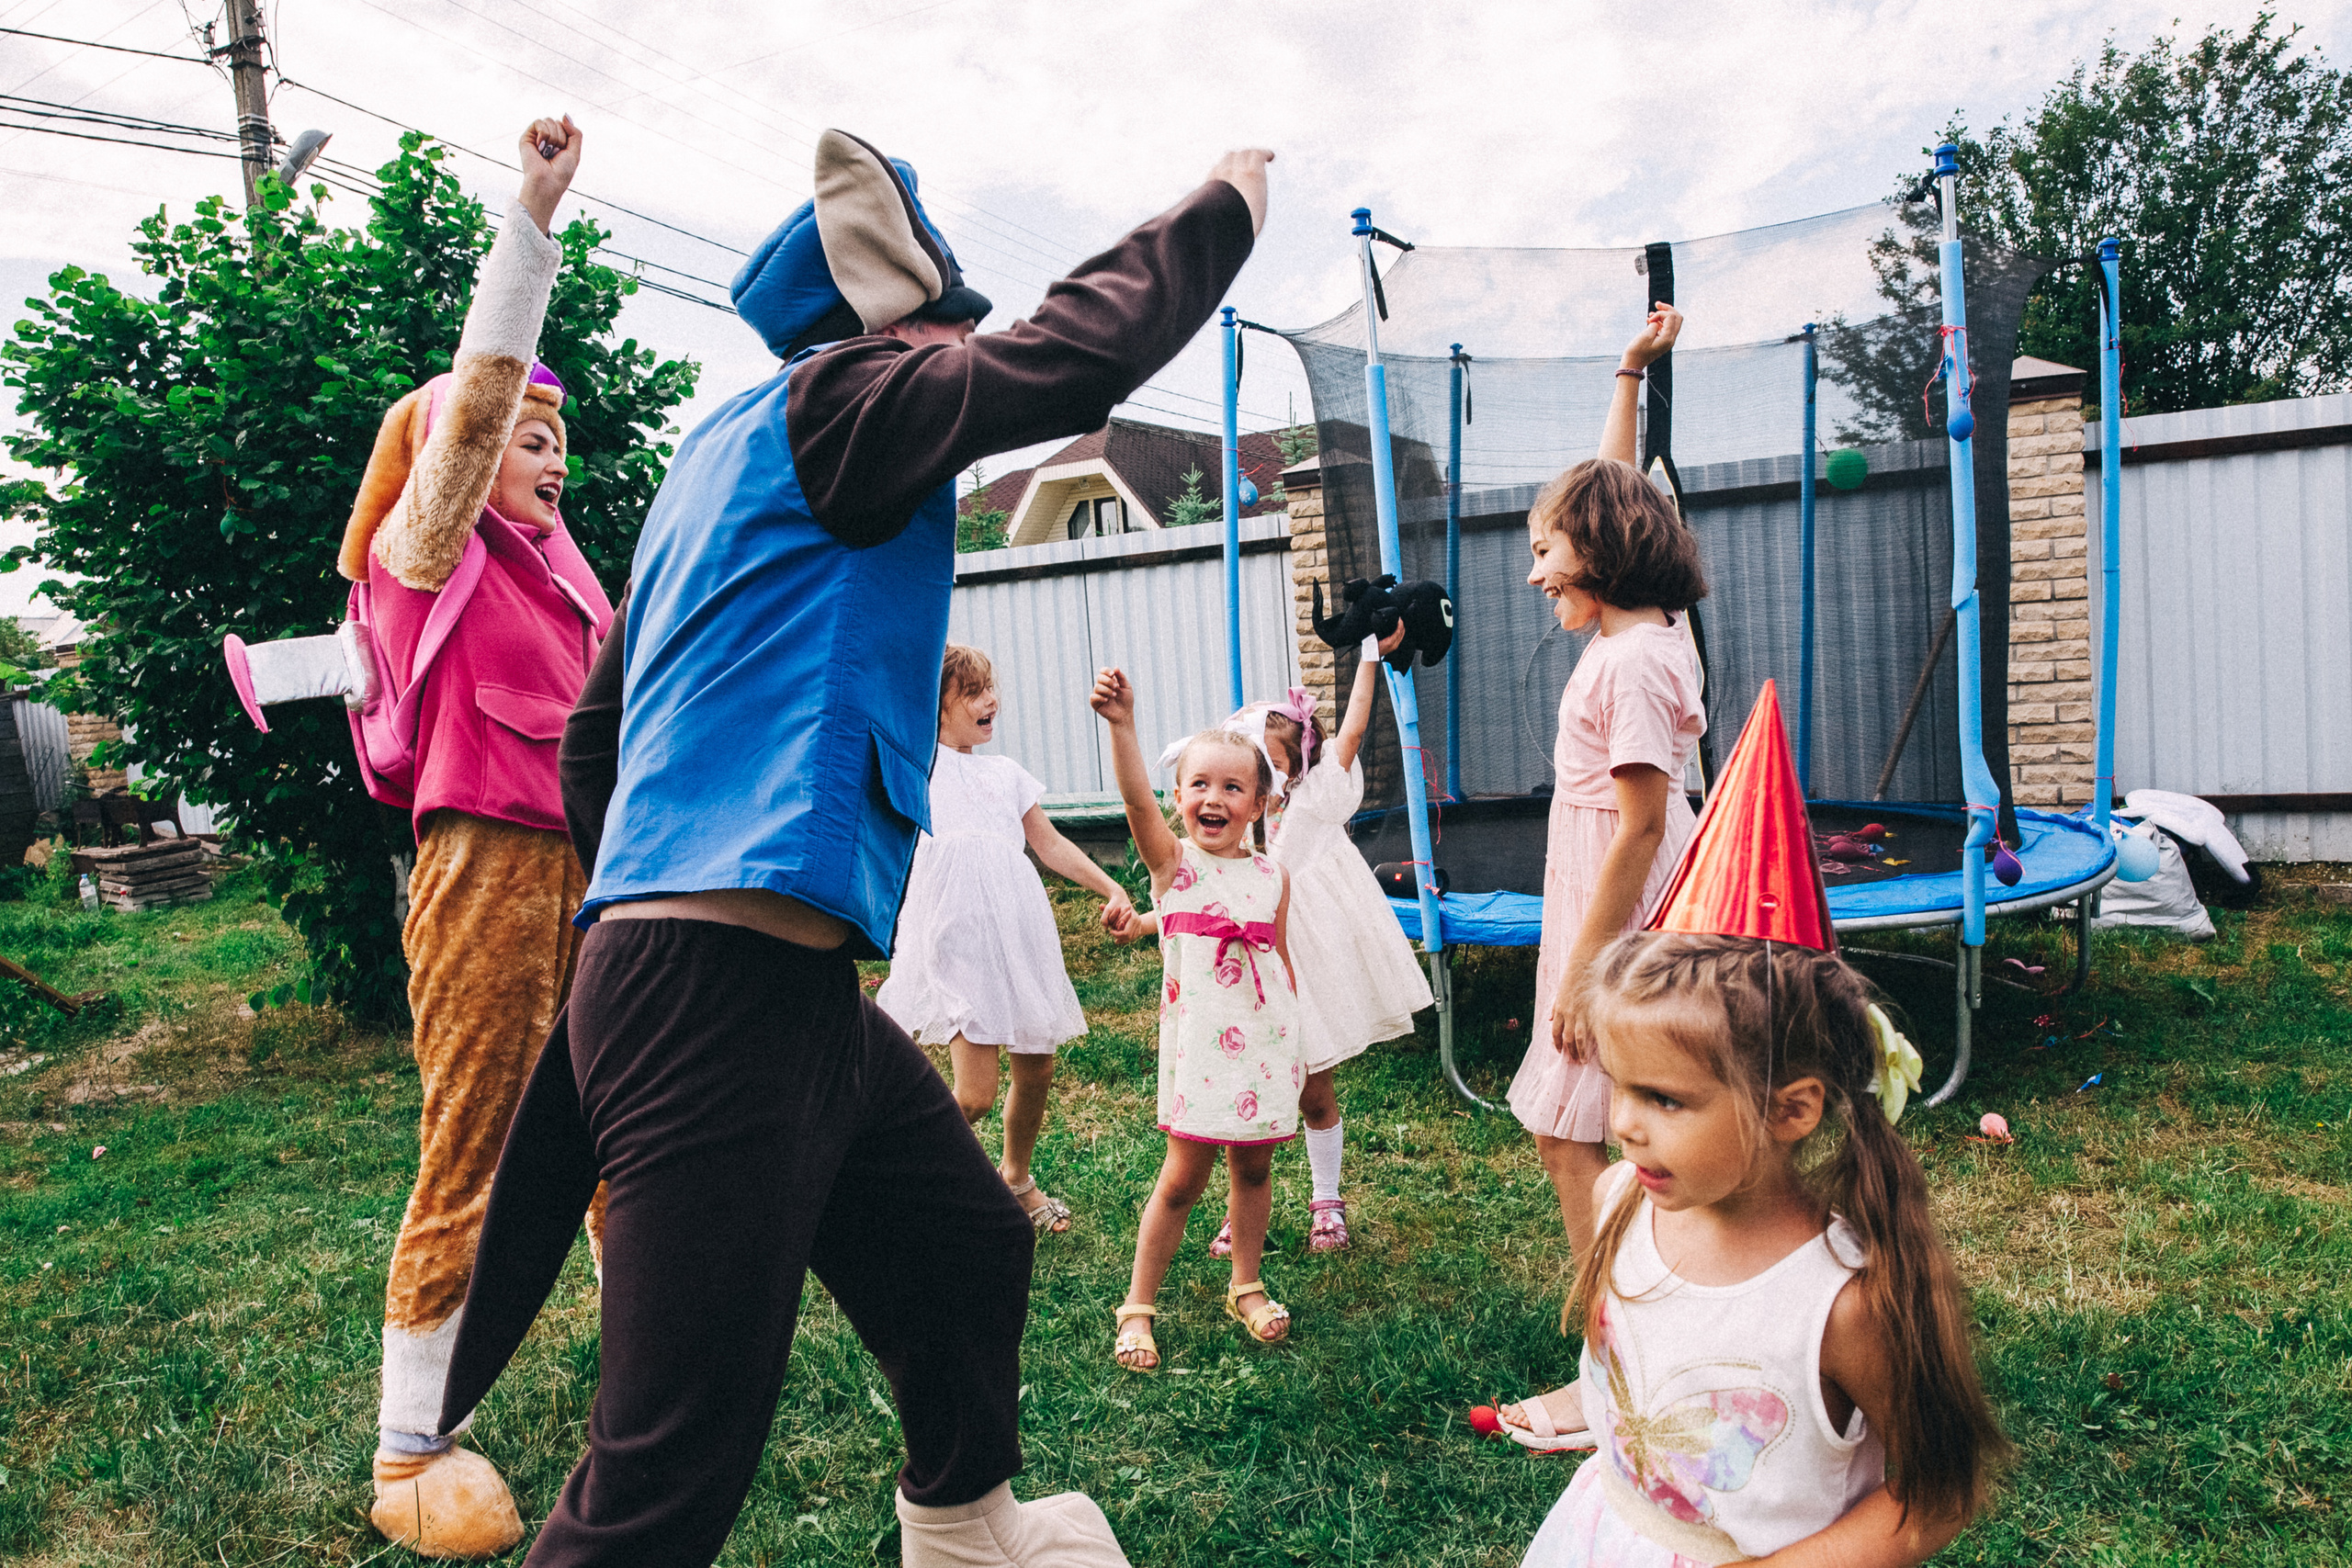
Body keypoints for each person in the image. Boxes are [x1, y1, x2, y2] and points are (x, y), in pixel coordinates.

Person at [437, 130, 1270, 1568]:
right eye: (949, 338)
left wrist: (638, 902)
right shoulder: (854, 398)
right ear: (903, 326)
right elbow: (1069, 360)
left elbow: (594, 738)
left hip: (783, 988)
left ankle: (961, 1528)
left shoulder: (721, 454)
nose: (958, 368)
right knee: (665, 1461)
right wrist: (1224, 210)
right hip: (715, 995)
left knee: (965, 1240)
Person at [1515, 683, 2011, 1565]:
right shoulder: (1626, 1196)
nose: (1623, 1126)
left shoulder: (1841, 1302)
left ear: (1793, 1109)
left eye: (1665, 1099)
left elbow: (1940, 1490)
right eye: (1620, 1088)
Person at [331, 115, 614, 1559]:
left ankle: (652, 1368)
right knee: (477, 1137)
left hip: (600, 870)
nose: (548, 454)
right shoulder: (422, 551)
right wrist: (532, 222)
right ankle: (404, 1444)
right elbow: (475, 400)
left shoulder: (572, 583)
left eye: (560, 436)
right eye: (523, 434)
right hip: (486, 870)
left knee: (629, 1116)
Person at [1495, 305, 1709, 1450]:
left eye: (1546, 551)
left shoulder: (1626, 663)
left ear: (1603, 553)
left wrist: (1584, 974)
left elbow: (1634, 829)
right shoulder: (1653, 627)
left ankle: (1615, 1371)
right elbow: (1617, 487)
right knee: (1578, 1120)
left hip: (1610, 913)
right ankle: (1639, 1334)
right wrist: (1627, 370)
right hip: (1606, 905)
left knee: (1577, 1124)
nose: (1535, 572)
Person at [1129, 629, 1429, 1255]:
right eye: (1246, 756)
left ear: (1291, 771)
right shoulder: (1221, 836)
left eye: (1272, 760)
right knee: (1240, 1097)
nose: (1253, 770)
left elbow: (1348, 735)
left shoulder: (1311, 806)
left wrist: (1369, 659)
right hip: (1229, 992)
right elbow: (1203, 906)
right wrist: (1146, 921)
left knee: (1313, 1091)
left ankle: (1326, 1199)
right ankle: (1246, 1213)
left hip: (1297, 976)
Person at [877, 642, 1136, 1234]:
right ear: (933, 707)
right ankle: (916, 1184)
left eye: (990, 688)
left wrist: (1111, 888)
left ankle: (1015, 1177)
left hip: (1017, 932)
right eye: (970, 692)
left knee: (1037, 1067)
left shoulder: (1007, 774)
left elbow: (1048, 845)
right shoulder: (917, 768)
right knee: (974, 1097)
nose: (990, 700)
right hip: (955, 933)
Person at [1092, 667, 1302, 1371]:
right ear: (1179, 797)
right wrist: (1123, 726)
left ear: (1259, 803)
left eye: (1233, 787)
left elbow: (1280, 964)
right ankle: (1137, 1306)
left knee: (1254, 1168)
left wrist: (1296, 1045)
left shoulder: (1274, 876)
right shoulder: (1175, 868)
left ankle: (1246, 1284)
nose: (1214, 797)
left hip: (1267, 1049)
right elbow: (1133, 804)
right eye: (1200, 784)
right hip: (1205, 1051)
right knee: (1182, 1178)